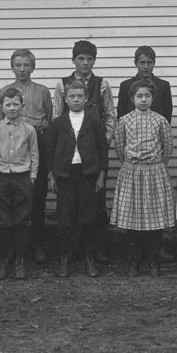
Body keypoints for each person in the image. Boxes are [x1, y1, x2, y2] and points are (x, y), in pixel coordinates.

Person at [53, 39, 116, 261]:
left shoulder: (102, 84)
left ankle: (96, 250)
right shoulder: (63, 85)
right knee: (69, 208)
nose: (85, 63)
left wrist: (102, 143)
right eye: (81, 59)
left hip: (93, 154)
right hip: (70, 154)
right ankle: (71, 251)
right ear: (73, 60)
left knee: (95, 204)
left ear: (94, 61)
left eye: (90, 59)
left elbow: (110, 116)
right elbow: (57, 119)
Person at [45, 79, 109, 278]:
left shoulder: (94, 120)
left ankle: (89, 259)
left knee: (88, 217)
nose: (76, 100)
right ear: (65, 99)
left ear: (86, 98)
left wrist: (101, 175)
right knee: (65, 218)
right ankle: (64, 258)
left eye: (80, 96)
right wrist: (51, 175)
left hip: (88, 174)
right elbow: (50, 150)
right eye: (71, 96)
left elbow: (102, 148)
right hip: (66, 175)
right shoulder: (59, 123)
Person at [112, 78, 175, 277]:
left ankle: (153, 261)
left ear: (153, 98)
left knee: (154, 220)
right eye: (139, 96)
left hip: (154, 171)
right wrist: (133, 164)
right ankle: (133, 260)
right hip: (132, 171)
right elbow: (119, 147)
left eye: (147, 96)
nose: (143, 100)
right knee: (133, 220)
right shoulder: (124, 120)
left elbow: (167, 147)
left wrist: (155, 165)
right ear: (132, 99)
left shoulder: (160, 120)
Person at [0, 49, 53, 264]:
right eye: (18, 65)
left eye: (27, 65)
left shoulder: (42, 91)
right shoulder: (5, 91)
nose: (22, 69)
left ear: (33, 67)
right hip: (12, 146)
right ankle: (13, 248)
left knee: (36, 197)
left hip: (36, 142)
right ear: (12, 67)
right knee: (13, 198)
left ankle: (38, 244)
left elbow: (48, 119)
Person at [0, 87, 39, 280]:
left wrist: (32, 177)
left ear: (22, 106)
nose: (12, 107)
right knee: (3, 221)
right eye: (8, 104)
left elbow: (34, 155)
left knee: (21, 221)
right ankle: (3, 260)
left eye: (16, 104)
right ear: (1, 106)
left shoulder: (29, 130)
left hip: (22, 177)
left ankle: (20, 261)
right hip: (0, 178)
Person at [116, 45, 173, 123]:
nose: (146, 67)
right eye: (142, 63)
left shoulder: (163, 86)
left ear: (154, 63)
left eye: (149, 62)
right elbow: (121, 114)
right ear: (135, 63)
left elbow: (167, 115)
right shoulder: (126, 86)